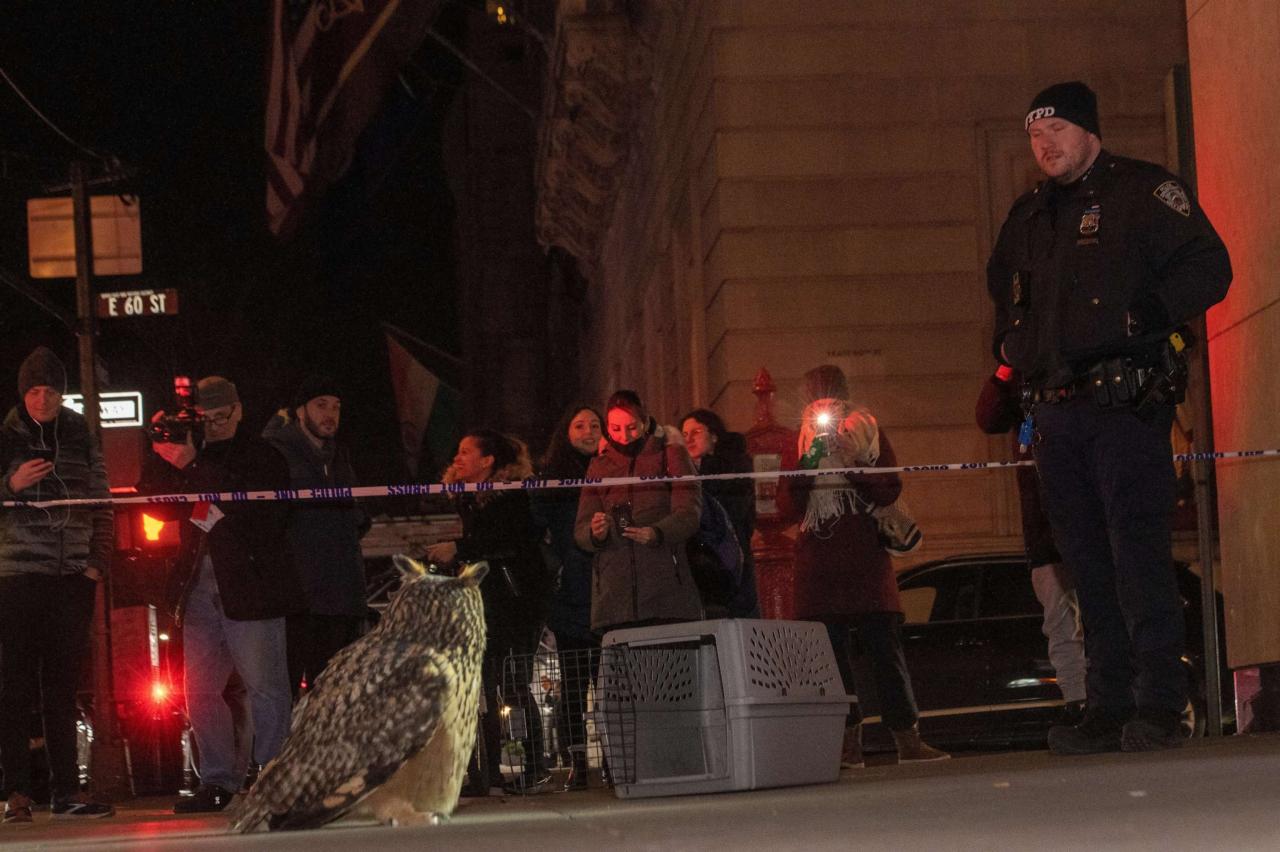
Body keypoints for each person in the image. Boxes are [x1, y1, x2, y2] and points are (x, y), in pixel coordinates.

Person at [987, 81, 1231, 754]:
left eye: (1057, 131)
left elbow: (1210, 267)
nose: (1045, 146)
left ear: (1090, 130)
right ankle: (1107, 703)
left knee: (1137, 557)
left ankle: (1159, 704)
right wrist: (1011, 351)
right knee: (1085, 564)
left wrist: (1149, 315)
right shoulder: (1029, 215)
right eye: (1035, 137)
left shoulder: (1141, 193)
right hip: (1057, 414)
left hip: (1125, 405)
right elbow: (1004, 291)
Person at [141, 376, 302, 812]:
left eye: (219, 416)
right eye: (204, 418)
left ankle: (273, 774)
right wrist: (160, 452)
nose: (211, 425)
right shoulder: (195, 453)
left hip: (251, 587)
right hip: (198, 588)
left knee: (266, 686)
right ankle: (216, 779)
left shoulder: (263, 454)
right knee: (199, 691)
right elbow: (155, 504)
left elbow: (263, 516)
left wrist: (194, 463)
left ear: (238, 410)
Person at [776, 365, 948, 767]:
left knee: (886, 655)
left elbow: (890, 489)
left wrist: (854, 462)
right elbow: (787, 508)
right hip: (819, 566)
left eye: (832, 402)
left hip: (867, 561)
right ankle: (847, 745)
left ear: (845, 401)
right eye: (817, 402)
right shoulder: (796, 441)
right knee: (830, 664)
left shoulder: (867, 430)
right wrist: (808, 461)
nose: (825, 412)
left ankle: (907, 740)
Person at [0, 347, 115, 821]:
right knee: (14, 687)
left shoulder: (81, 436)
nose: (43, 398)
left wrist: (95, 567)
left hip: (71, 579)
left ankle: (67, 791)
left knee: (63, 687)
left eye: (50, 389)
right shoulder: (5, 436)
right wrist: (11, 486)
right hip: (16, 577)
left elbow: (104, 503)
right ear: (22, 392)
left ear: (62, 393)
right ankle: (16, 793)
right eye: (34, 389)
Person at [426, 430, 551, 794]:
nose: (458, 457)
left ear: (487, 461)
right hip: (484, 601)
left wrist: (459, 548)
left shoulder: (511, 495)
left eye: (467, 452)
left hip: (516, 600)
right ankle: (486, 771)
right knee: (480, 686)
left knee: (513, 683)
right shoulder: (468, 499)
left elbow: (507, 541)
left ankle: (535, 766)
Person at [975, 364, 1087, 725]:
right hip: (1042, 532)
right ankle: (1078, 701)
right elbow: (988, 417)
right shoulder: (1019, 381)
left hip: (1084, 524)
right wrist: (1006, 368)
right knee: (1058, 622)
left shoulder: (1073, 366)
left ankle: (1106, 695)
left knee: (1097, 616)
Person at [263, 375, 370, 700]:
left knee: (338, 696)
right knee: (287, 693)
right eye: (321, 405)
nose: (330, 414)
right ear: (300, 411)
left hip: (343, 599)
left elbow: (359, 515)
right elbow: (271, 522)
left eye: (336, 407)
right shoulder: (277, 453)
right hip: (300, 600)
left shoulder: (340, 456)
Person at [574, 390, 703, 634]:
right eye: (615, 428)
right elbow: (581, 530)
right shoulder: (599, 466)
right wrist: (595, 533)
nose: (624, 437)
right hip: (615, 601)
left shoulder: (670, 454)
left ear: (645, 423)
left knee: (668, 668)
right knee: (627, 671)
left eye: (632, 427)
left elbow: (689, 512)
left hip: (666, 594)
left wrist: (657, 532)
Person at [530, 403, 602, 789]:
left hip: (608, 587)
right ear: (566, 432)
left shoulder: (611, 469)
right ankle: (577, 760)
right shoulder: (551, 478)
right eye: (580, 425)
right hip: (571, 588)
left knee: (607, 681)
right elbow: (538, 528)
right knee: (574, 681)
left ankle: (612, 756)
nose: (589, 431)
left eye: (595, 425)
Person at [680, 408, 759, 618]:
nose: (689, 439)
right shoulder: (682, 472)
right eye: (684, 435)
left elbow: (735, 510)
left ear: (714, 435)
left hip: (730, 561)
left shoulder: (734, 467)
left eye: (696, 432)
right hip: (698, 565)